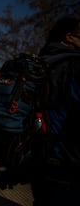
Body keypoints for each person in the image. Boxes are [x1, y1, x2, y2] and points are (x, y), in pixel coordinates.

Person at [30, 16, 80, 205]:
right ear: (69, 37)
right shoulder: (74, 66)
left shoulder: (39, 64)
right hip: (67, 162)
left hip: (37, 157)